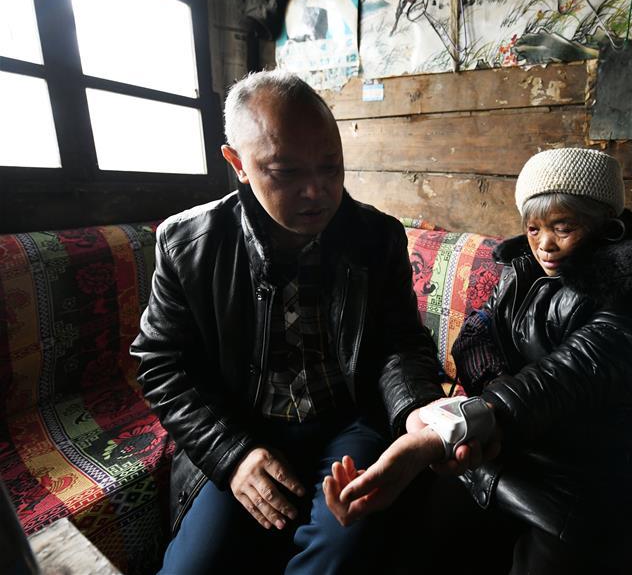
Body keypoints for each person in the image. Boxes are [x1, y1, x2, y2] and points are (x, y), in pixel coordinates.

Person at [130, 70, 447, 574]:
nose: (317, 191)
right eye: (285, 172)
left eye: (331, 167)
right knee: (196, 565)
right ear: (237, 163)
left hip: (349, 421)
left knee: (343, 550)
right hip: (238, 424)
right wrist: (231, 455)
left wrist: (414, 410)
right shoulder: (187, 244)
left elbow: (401, 343)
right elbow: (161, 365)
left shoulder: (377, 236)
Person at [324, 148, 632, 574]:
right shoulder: (522, 270)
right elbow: (476, 336)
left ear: (606, 224)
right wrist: (486, 402)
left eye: (563, 228)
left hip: (602, 479)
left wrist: (467, 423)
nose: (545, 245)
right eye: (534, 229)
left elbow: (569, 373)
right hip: (511, 446)